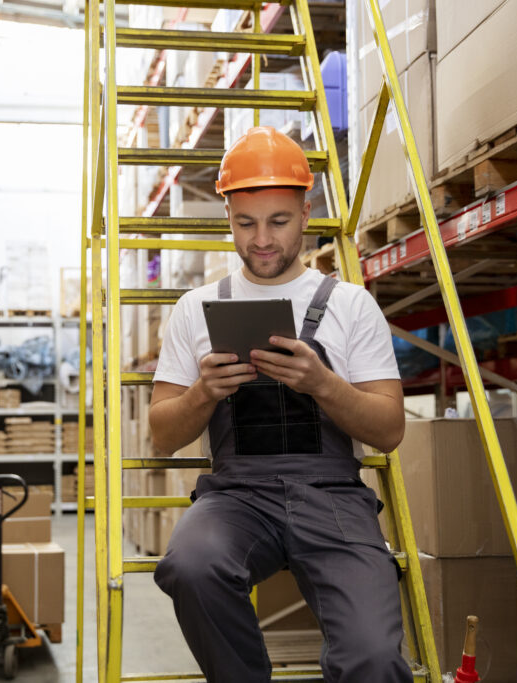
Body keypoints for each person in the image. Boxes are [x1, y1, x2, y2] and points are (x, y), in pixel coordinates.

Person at [149, 126, 412, 682]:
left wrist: (322, 383)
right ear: (228, 217)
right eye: (245, 223)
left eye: (278, 221)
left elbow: (388, 430)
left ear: (306, 211)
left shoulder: (350, 305)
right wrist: (203, 393)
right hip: (238, 498)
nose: (261, 239)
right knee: (189, 566)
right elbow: (162, 436)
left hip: (333, 498)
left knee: (373, 654)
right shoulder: (197, 308)